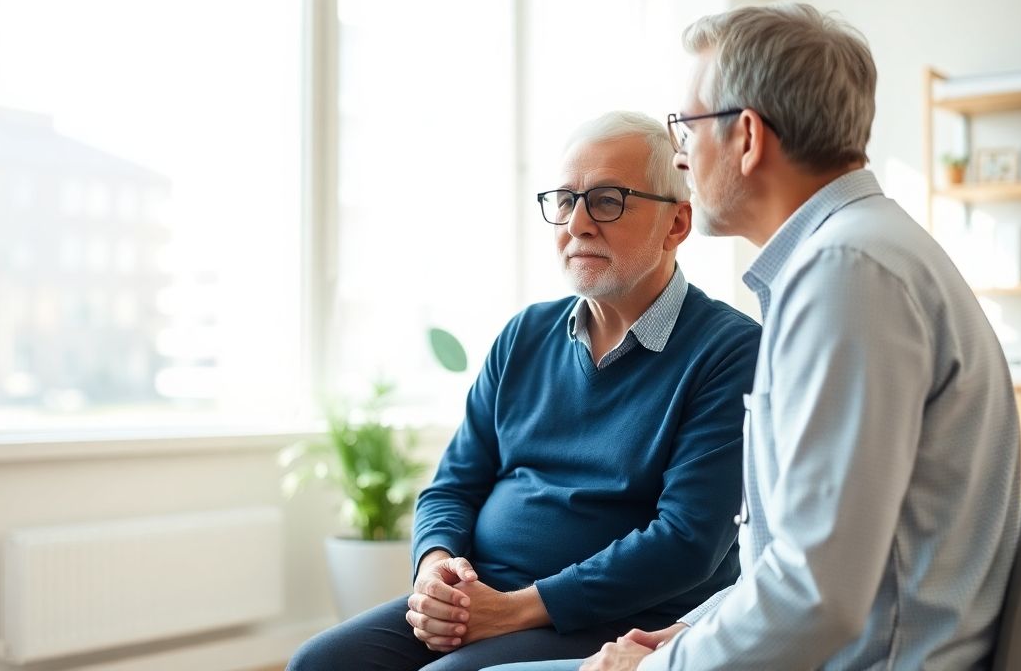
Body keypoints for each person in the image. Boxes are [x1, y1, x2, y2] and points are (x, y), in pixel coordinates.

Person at [489, 3, 1021, 671]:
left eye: (684, 127)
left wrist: (652, 670)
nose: (679, 157)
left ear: (746, 136)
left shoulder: (845, 274)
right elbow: (797, 562)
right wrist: (689, 629)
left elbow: (814, 596)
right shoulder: (868, 251)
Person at [287, 111, 761, 671]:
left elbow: (687, 542)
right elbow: (452, 485)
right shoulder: (524, 335)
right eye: (565, 200)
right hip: (483, 597)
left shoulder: (730, 350)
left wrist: (514, 611)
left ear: (676, 224)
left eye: (608, 200)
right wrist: (435, 570)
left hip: (616, 620)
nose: (578, 224)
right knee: (316, 664)